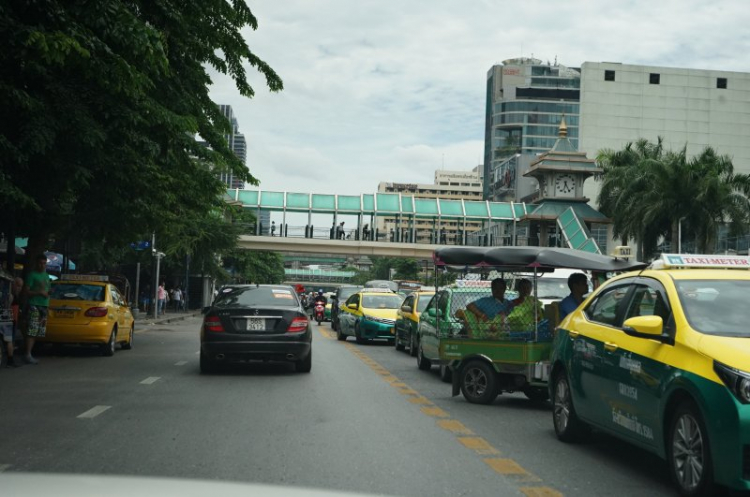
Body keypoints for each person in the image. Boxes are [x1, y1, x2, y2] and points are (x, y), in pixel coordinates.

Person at [21, 254, 51, 365]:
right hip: (34, 304)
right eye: (40, 263)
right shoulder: (32, 275)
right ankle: (27, 354)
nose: (42, 265)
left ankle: (29, 353)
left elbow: (47, 289)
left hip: (44, 305)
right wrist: (39, 293)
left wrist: (48, 294)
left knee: (38, 331)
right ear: (36, 263)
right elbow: (26, 291)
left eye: (44, 263)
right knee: (32, 330)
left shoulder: (47, 276)